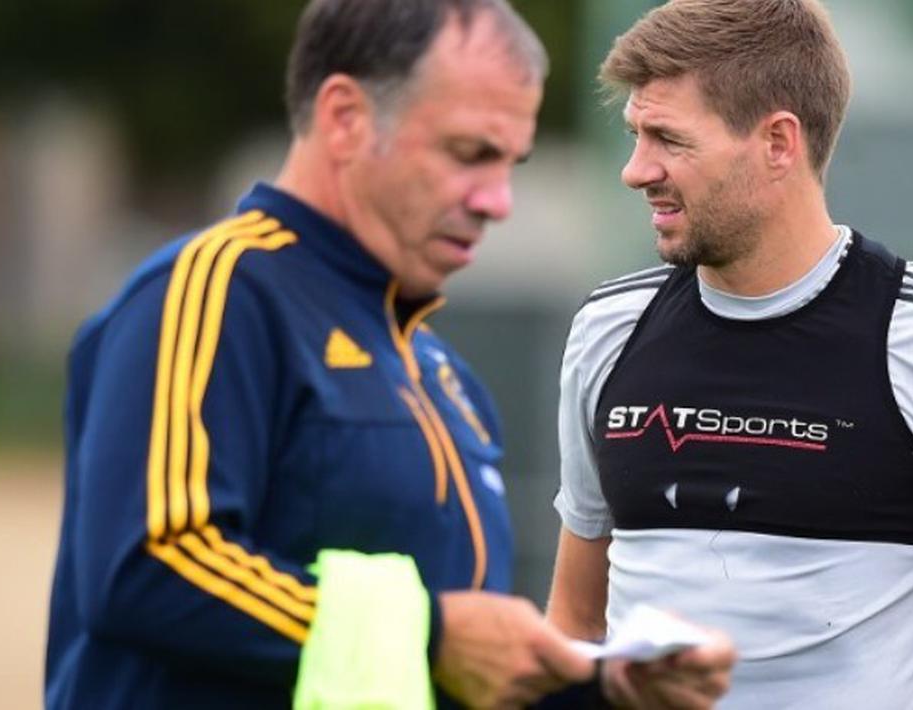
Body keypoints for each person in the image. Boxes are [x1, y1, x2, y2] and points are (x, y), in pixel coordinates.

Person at [44, 1, 734, 708]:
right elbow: (147, 565)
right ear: (345, 117)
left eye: (509, 163)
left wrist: (597, 688)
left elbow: (427, 678)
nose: (498, 200)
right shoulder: (219, 289)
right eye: (470, 154)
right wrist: (429, 632)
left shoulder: (442, 376)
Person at [546, 1, 913, 708]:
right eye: (633, 134)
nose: (635, 170)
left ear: (778, 142)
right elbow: (573, 626)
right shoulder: (609, 326)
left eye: (668, 139)